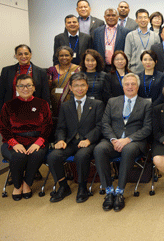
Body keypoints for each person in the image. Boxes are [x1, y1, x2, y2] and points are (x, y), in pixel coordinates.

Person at [94, 73, 152, 211]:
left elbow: (148, 128)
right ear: (122, 85)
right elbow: (105, 123)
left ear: (138, 87)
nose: (130, 87)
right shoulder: (112, 101)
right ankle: (109, 191)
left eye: (133, 84)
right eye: (127, 84)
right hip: (113, 139)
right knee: (99, 149)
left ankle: (120, 191)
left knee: (128, 149)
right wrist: (114, 139)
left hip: (134, 141)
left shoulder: (146, 104)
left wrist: (127, 139)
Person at [47, 73, 104, 203]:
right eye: (76, 85)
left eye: (82, 85)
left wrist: (89, 139)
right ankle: (63, 186)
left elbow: (100, 126)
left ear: (87, 86)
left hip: (89, 142)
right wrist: (60, 140)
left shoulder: (97, 104)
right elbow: (61, 127)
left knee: (81, 156)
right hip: (70, 142)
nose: (80, 88)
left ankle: (82, 188)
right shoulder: (65, 106)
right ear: (71, 88)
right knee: (53, 156)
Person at [0, 74, 52, 201]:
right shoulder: (8, 105)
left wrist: (39, 142)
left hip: (37, 140)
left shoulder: (42, 104)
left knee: (36, 154)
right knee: (19, 155)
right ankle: (18, 185)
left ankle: (27, 183)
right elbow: (3, 127)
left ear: (34, 87)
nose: (25, 88)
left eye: (28, 85)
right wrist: (14, 143)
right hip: (13, 141)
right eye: (21, 86)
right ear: (16, 88)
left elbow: (48, 125)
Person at [0, 44, 50, 109]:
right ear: (16, 56)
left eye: (26, 54)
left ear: (30, 55)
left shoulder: (41, 72)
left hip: (34, 109)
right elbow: (1, 93)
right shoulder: (6, 71)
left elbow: (45, 95)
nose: (23, 56)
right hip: (11, 108)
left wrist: (46, 110)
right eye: (20, 54)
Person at [92, 8, 131, 72]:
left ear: (118, 17)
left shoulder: (125, 32)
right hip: (101, 67)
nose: (111, 17)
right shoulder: (97, 32)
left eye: (113, 15)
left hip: (119, 67)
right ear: (104, 17)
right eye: (108, 15)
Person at [47, 46, 81, 116]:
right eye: (61, 55)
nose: (64, 58)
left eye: (67, 55)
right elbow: (48, 87)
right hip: (55, 103)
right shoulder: (52, 70)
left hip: (72, 102)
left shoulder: (77, 69)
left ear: (71, 57)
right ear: (58, 57)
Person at [124, 9, 160, 73]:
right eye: (140, 18)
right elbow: (127, 55)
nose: (143, 20)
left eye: (145, 17)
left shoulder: (155, 36)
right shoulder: (130, 35)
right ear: (136, 20)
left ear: (148, 20)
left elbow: (158, 56)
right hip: (134, 72)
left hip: (151, 72)